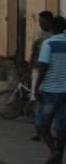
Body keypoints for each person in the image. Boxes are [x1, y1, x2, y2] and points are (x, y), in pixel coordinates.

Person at [34, 15, 66, 164]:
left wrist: (36, 87)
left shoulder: (49, 43)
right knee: (62, 125)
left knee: (41, 123)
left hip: (50, 92)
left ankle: (53, 151)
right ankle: (59, 158)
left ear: (52, 27)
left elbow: (43, 67)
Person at [27, 11, 54, 141]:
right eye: (39, 21)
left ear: (50, 21)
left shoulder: (54, 35)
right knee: (36, 99)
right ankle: (39, 131)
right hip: (38, 69)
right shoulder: (38, 34)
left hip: (50, 71)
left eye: (43, 21)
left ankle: (46, 129)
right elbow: (33, 51)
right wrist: (30, 67)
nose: (41, 24)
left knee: (48, 101)